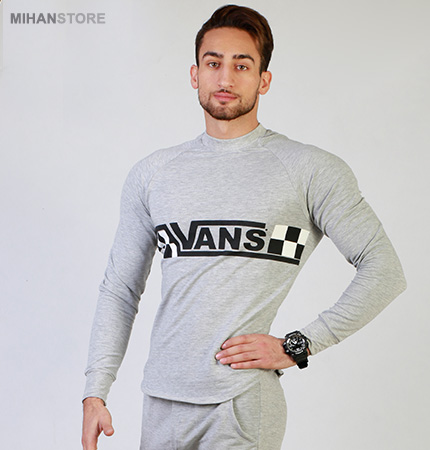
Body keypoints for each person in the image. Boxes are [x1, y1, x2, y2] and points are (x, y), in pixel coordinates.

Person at [81, 5, 406, 450]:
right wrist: (95, 391)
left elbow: (384, 270)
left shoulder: (309, 170)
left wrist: (297, 345)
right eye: (213, 63)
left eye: (242, 65)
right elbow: (120, 289)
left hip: (241, 405)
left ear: (263, 80)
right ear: (195, 74)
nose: (225, 78)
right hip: (161, 402)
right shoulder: (154, 174)